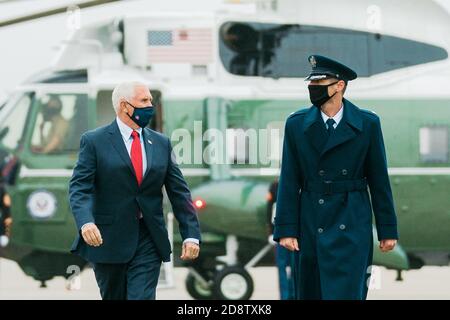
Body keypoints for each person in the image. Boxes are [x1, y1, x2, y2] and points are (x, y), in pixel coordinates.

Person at [273, 55, 398, 300]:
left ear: (339, 85)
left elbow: (379, 179)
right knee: (312, 292)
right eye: (312, 83)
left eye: (320, 83)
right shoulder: (296, 124)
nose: (313, 88)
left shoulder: (368, 123)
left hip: (352, 219)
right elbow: (289, 179)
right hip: (311, 220)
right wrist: (286, 229)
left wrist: (387, 229)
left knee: (348, 292)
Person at [69, 81, 201, 300]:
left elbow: (180, 192)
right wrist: (86, 222)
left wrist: (191, 235)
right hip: (108, 239)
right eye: (144, 100)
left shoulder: (161, 143)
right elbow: (79, 188)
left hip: (148, 236)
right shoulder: (94, 141)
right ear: (124, 106)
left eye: (150, 99)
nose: (150, 105)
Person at [266, 179, 294, 300]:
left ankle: (293, 294)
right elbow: (270, 208)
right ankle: (285, 296)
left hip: (294, 232)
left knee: (295, 266)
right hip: (280, 232)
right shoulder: (275, 186)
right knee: (282, 265)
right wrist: (271, 232)